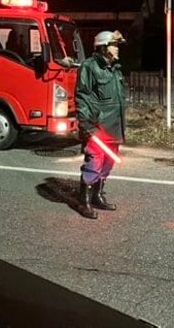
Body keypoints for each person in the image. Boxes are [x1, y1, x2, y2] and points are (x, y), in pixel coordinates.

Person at [74, 30, 127, 219]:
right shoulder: (89, 67)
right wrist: (87, 126)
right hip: (98, 127)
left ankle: (97, 195)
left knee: (107, 164)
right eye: (114, 45)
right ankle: (84, 201)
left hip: (114, 126)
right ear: (104, 47)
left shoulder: (115, 68)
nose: (117, 49)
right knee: (93, 164)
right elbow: (82, 97)